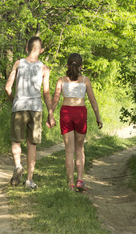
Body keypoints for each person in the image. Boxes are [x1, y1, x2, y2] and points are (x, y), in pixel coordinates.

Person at [5, 36, 54, 189]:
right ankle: (29, 180)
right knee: (32, 144)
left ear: (27, 48)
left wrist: (13, 99)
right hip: (36, 108)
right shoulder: (44, 69)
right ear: (42, 50)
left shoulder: (18, 64)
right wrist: (50, 113)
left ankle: (18, 165)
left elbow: (7, 88)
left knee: (16, 140)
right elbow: (46, 93)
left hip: (19, 106)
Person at [49, 53, 103, 192]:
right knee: (80, 149)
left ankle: (71, 184)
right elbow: (92, 100)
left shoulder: (61, 80)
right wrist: (98, 117)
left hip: (66, 113)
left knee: (69, 150)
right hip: (80, 113)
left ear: (67, 65)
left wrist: (50, 115)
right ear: (81, 67)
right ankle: (80, 180)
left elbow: (55, 99)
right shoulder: (85, 80)